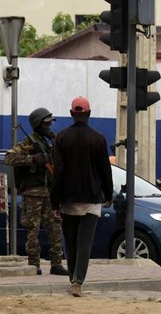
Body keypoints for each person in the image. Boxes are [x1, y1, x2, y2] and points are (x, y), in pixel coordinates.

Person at [51, 96, 113, 297]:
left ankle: (72, 279)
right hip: (91, 199)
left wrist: (54, 202)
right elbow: (105, 170)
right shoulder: (98, 139)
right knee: (84, 243)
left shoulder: (61, 138)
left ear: (71, 114)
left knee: (70, 243)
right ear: (89, 114)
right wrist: (108, 193)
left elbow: (58, 171)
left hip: (68, 199)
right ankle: (78, 282)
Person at [4, 107, 69, 276]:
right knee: (32, 230)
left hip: (50, 193)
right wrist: (32, 159)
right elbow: (9, 157)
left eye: (50, 123)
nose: (49, 127)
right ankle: (34, 264)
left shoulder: (51, 142)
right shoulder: (27, 142)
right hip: (33, 194)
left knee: (55, 229)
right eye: (46, 124)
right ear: (38, 124)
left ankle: (56, 264)